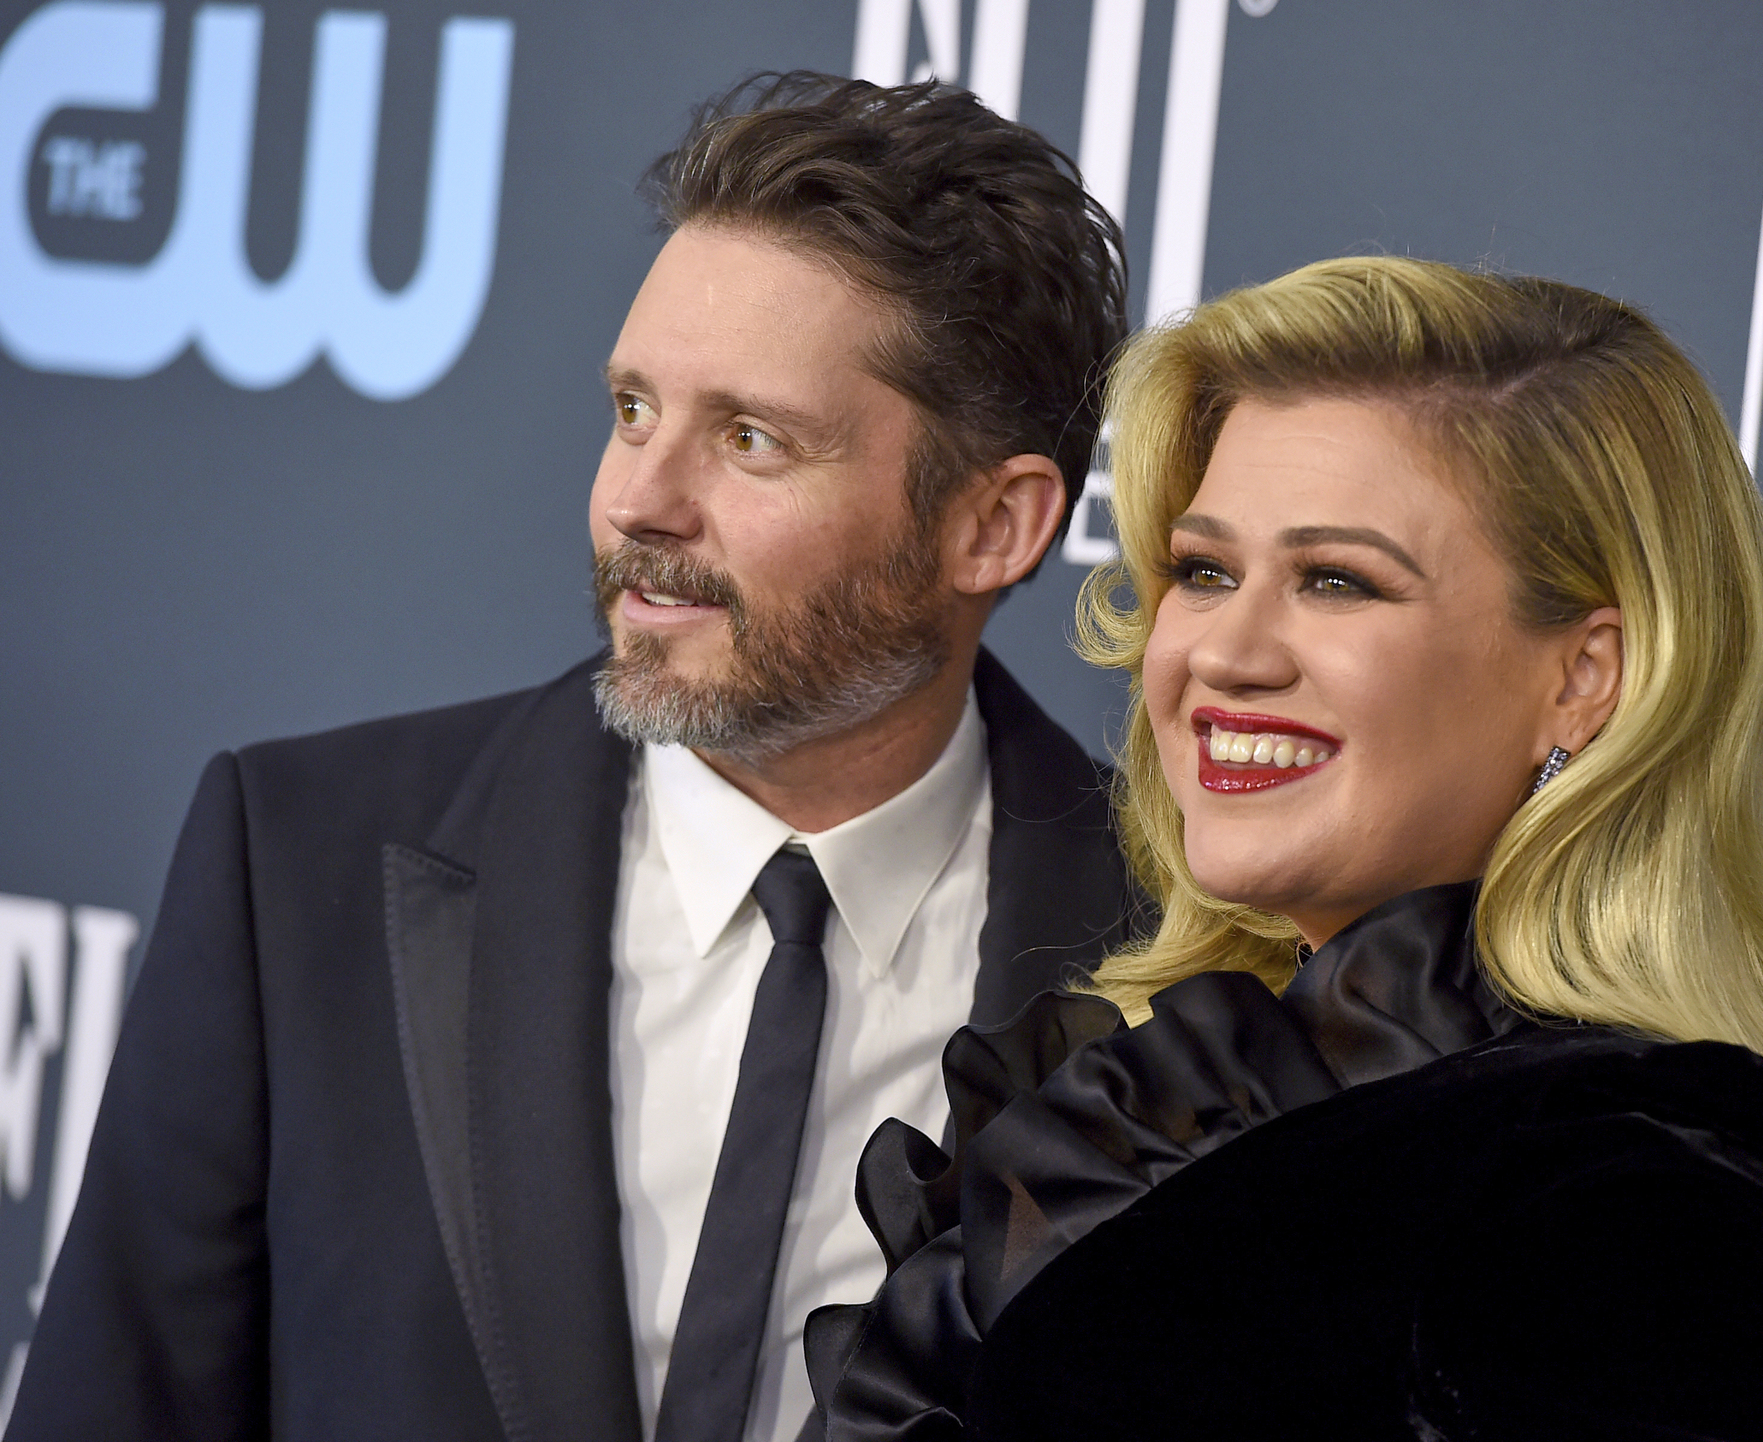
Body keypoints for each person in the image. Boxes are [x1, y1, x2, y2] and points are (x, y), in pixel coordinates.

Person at [10, 74, 1138, 1442]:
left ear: (995, 528)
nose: (637, 502)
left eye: (749, 438)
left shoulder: (1176, 960)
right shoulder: (297, 857)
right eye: (631, 408)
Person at [807, 257, 1763, 1441]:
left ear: (1585, 677)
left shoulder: (1637, 1203)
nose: (1225, 651)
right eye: (1204, 570)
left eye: (1336, 580)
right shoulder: (1162, 1099)